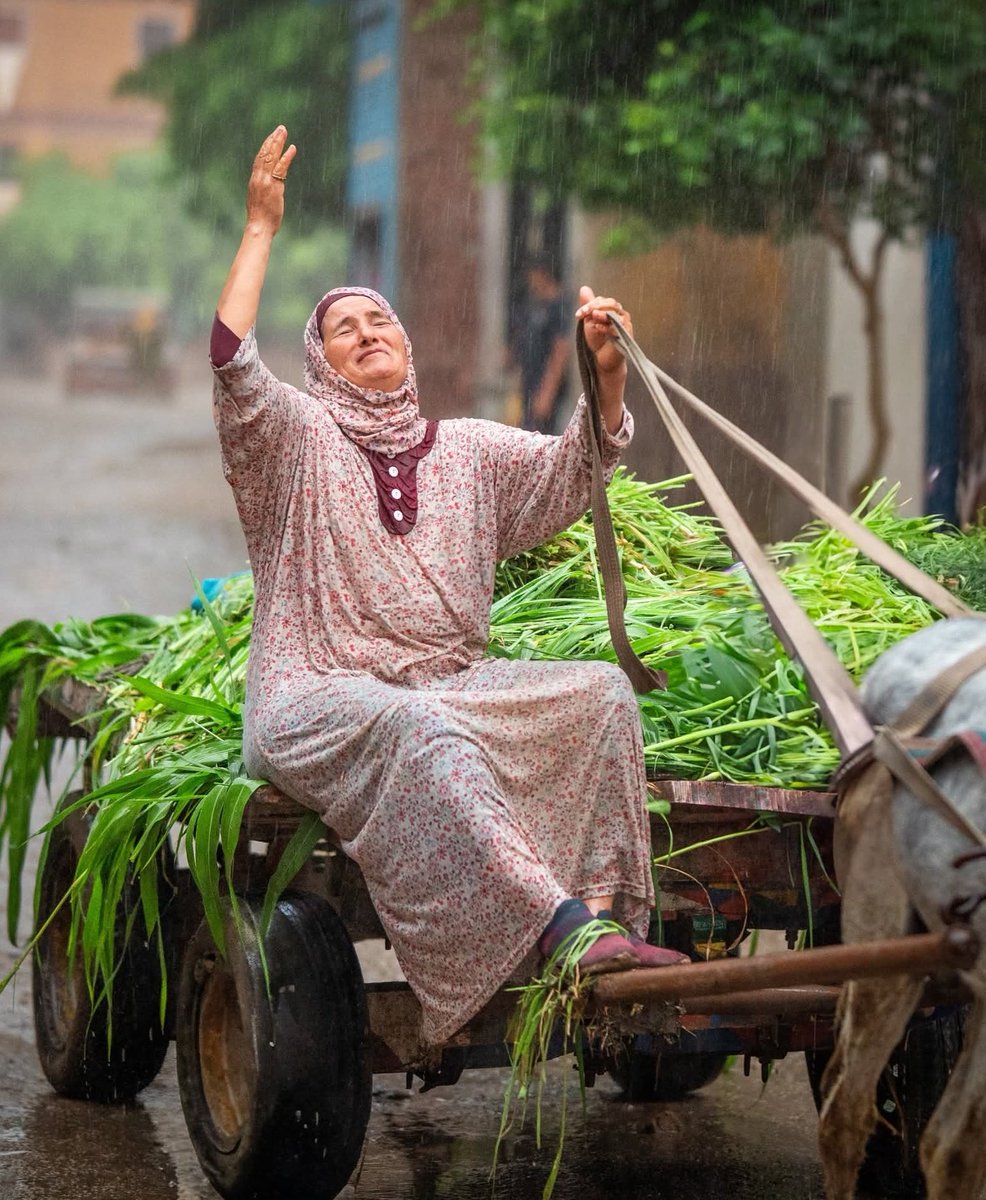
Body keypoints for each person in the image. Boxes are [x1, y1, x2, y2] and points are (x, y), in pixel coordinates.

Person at [210, 126, 686, 1047]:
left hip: (451, 683)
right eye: (343, 330)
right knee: (417, 725)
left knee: (599, 696)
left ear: (407, 340)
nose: (367, 332)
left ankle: (607, 918)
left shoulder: (466, 448)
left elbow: (569, 474)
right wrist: (262, 229)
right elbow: (232, 363)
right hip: (320, 693)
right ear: (321, 365)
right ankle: (555, 932)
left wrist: (609, 381)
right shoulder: (294, 442)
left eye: (380, 319)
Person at [510, 255, 571, 434]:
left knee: (543, 438)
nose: (530, 281)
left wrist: (547, 393)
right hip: (530, 384)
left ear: (543, 274)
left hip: (546, 386)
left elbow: (560, 351)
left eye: (533, 275)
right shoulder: (535, 304)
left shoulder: (558, 306)